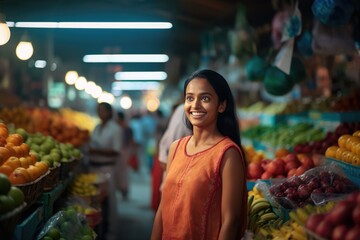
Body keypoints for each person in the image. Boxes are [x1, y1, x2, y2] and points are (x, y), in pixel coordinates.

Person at [151, 69, 248, 240]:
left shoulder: (227, 153)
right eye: (190, 98)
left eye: (205, 98)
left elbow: (230, 221)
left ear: (221, 105)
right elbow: (163, 208)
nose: (195, 105)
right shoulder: (176, 147)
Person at [89, 102, 122, 240]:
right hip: (94, 168)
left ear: (109, 112)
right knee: (96, 202)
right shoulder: (96, 127)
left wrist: (96, 151)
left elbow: (116, 151)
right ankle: (98, 230)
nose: (100, 113)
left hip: (107, 169)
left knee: (110, 202)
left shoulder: (115, 129)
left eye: (102, 111)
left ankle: (111, 233)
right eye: (98, 110)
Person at [116, 111, 135, 200]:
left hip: (124, 152)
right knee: (122, 172)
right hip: (124, 152)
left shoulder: (124, 128)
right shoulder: (125, 128)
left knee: (123, 172)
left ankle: (124, 189)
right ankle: (123, 189)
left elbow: (131, 141)